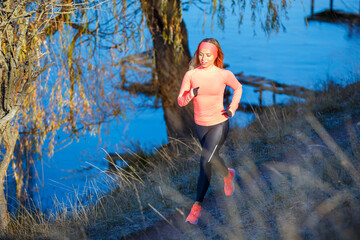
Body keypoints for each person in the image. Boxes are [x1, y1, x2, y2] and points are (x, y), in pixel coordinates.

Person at [177, 38, 243, 224]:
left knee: (205, 159)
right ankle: (228, 174)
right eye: (201, 54)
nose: (204, 58)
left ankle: (196, 207)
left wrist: (232, 108)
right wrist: (191, 94)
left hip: (220, 123)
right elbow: (180, 101)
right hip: (201, 126)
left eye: (208, 55)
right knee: (212, 157)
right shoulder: (190, 75)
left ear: (215, 56)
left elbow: (238, 88)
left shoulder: (224, 74)